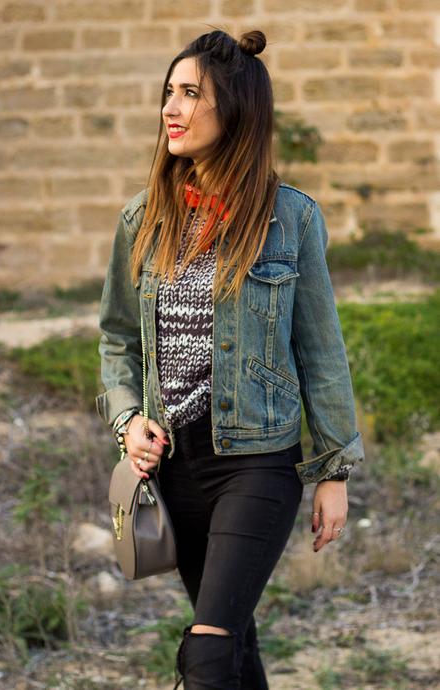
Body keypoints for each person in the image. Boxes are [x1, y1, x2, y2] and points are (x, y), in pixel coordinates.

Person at [96, 28, 365, 690]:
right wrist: (128, 418)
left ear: (236, 108)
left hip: (256, 464)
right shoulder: (143, 218)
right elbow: (116, 338)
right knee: (233, 650)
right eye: (168, 93)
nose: (171, 109)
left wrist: (333, 470)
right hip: (174, 470)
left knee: (208, 652)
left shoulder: (290, 217)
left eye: (190, 94)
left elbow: (320, 348)